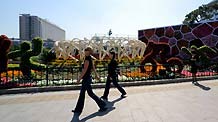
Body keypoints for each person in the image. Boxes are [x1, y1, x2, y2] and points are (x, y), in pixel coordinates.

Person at [72, 46, 107, 116]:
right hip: (87, 78)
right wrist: (96, 75)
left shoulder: (87, 59)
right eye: (85, 50)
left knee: (88, 94)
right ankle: (78, 109)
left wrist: (79, 79)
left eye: (86, 50)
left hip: (86, 79)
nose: (84, 51)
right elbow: (93, 68)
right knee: (86, 94)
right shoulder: (89, 58)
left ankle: (102, 105)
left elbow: (84, 70)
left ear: (88, 52)